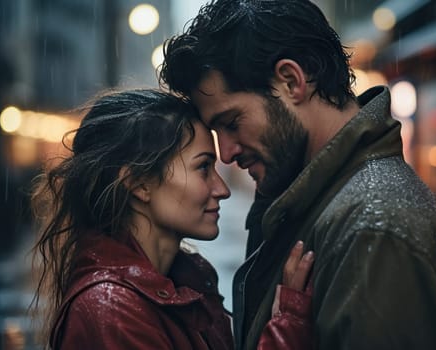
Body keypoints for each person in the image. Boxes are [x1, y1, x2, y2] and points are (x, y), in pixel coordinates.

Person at [159, 0, 436, 349]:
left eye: (232, 123)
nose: (228, 153)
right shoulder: (315, 202)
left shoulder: (374, 230)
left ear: (292, 81)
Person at [30, 89, 314, 349]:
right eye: (203, 167)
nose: (222, 189)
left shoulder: (182, 285)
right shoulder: (113, 310)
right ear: (139, 183)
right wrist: (287, 328)